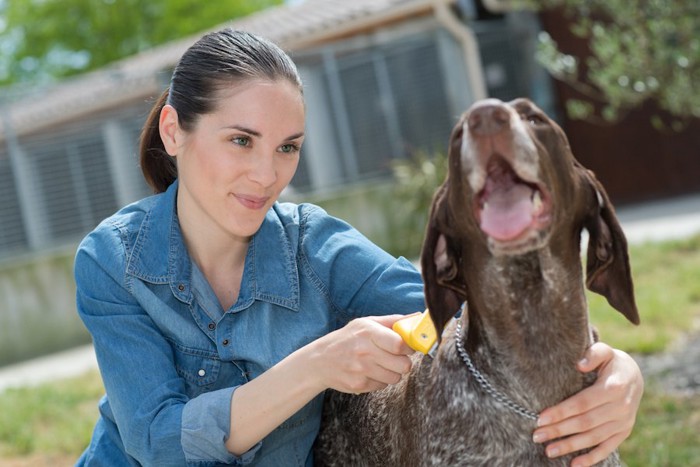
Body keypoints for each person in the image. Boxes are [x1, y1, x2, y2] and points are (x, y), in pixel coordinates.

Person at [75, 28, 643, 466]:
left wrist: (613, 369)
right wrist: (317, 365)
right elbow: (159, 443)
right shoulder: (112, 263)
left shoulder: (316, 250)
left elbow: (460, 308)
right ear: (174, 131)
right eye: (240, 141)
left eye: (287, 147)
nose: (266, 174)